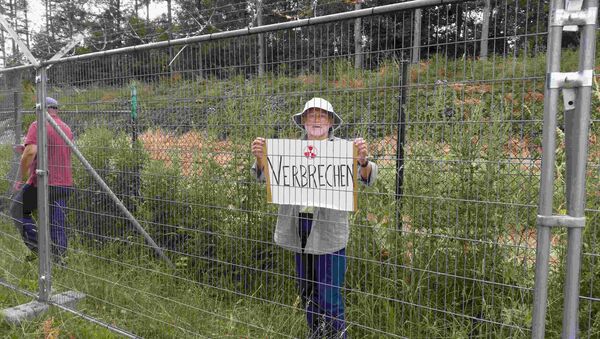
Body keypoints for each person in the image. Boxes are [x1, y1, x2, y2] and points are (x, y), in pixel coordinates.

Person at [251, 98, 378, 338]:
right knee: (307, 290)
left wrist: (363, 161)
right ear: (303, 122)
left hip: (329, 230)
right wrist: (260, 158)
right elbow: (264, 177)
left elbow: (367, 178)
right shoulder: (288, 150)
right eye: (311, 115)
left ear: (331, 122)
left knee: (329, 293)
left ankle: (337, 335)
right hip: (299, 227)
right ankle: (316, 333)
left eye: (322, 115)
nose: (316, 120)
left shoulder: (344, 149)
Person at [10, 97, 73, 262]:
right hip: (64, 183)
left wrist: (20, 178)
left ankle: (41, 250)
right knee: (56, 223)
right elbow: (53, 152)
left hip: (43, 182)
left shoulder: (38, 125)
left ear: (40, 109)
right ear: (55, 110)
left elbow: (30, 153)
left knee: (17, 209)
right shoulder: (66, 128)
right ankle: (59, 261)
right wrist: (26, 149)